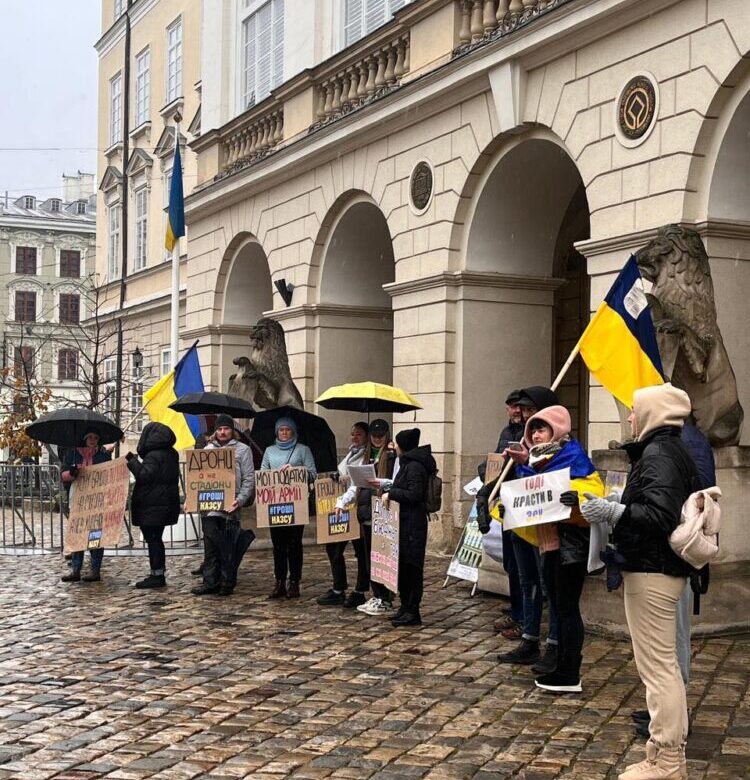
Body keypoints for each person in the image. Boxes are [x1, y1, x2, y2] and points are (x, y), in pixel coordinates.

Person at [582, 383, 698, 780]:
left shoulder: (659, 453)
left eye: (634, 410)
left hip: (653, 570)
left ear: (652, 414)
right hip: (654, 569)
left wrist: (613, 512)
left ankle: (667, 761)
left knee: (659, 669)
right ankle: (662, 754)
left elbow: (658, 517)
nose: (630, 418)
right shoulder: (664, 450)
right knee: (660, 666)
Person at [506, 405, 604, 693]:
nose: (536, 435)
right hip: (548, 547)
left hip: (569, 548)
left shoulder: (573, 457)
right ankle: (560, 665)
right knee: (559, 608)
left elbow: (593, 493)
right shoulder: (538, 462)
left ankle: (569, 670)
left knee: (567, 608)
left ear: (557, 430)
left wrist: (575, 497)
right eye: (533, 429)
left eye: (542, 428)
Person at [478, 385, 560, 668]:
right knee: (525, 580)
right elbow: (502, 474)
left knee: (548, 584)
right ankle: (529, 637)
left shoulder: (563, 448)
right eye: (523, 413)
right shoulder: (516, 439)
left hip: (545, 529)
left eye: (531, 413)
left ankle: (555, 646)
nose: (526, 420)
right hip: (518, 521)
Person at [334, 418, 397, 616]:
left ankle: (385, 597)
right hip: (367, 513)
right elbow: (356, 484)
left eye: (380, 436)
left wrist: (381, 482)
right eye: (374, 436)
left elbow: (396, 482)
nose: (377, 439)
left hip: (384, 513)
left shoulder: (392, 456)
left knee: (384, 557)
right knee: (371, 557)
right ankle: (377, 594)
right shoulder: (367, 456)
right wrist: (342, 502)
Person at [192, 414, 256, 597]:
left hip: (231, 505)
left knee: (228, 545)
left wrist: (241, 499)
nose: (222, 432)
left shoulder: (243, 450)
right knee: (211, 545)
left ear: (232, 430)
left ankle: (228, 582)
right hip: (210, 506)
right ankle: (210, 581)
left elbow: (249, 478)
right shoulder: (207, 449)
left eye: (226, 428)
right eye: (219, 429)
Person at [479, 390, 525, 637]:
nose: (516, 411)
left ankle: (523, 617)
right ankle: (517, 608)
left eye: (520, 407)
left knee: (522, 566)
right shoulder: (506, 433)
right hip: (507, 505)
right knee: (510, 562)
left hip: (524, 506)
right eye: (512, 407)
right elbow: (497, 464)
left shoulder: (531, 433)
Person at [383, 428, 436, 627]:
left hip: (412, 525)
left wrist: (393, 493)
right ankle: (405, 606)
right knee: (404, 568)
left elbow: (414, 494)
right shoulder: (409, 463)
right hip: (404, 523)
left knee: (412, 568)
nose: (394, 447)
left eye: (396, 443)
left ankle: (412, 610)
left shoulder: (414, 466)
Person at [261, 417, 316, 599]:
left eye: (287, 430)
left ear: (293, 431)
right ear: (276, 432)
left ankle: (294, 581)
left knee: (294, 544)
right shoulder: (269, 451)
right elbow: (262, 474)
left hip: (296, 504)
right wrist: (274, 474)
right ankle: (279, 582)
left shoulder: (303, 450)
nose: (284, 433)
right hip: (274, 504)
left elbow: (312, 473)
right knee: (278, 545)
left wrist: (293, 470)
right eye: (281, 430)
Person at [317, 421, 370, 607]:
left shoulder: (368, 456)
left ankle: (360, 590)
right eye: (353, 434)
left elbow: (360, 480)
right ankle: (338, 587)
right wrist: (335, 476)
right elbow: (342, 472)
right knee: (333, 547)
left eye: (359, 435)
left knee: (361, 551)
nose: (355, 438)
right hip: (342, 508)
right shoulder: (351, 453)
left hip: (357, 509)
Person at [126, 422, 181, 589]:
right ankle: (157, 572)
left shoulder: (154, 455)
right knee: (156, 539)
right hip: (164, 504)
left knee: (154, 540)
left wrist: (132, 461)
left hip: (153, 504)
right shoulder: (171, 453)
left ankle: (157, 574)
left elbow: (145, 475)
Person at [61, 429, 112, 583]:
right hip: (78, 499)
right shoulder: (73, 454)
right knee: (78, 533)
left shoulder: (103, 455)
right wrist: (72, 472)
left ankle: (95, 569)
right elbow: (63, 475)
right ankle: (76, 569)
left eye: (96, 437)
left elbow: (108, 474)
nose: (92, 440)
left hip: (96, 500)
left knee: (94, 534)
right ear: (84, 438)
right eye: (90, 437)